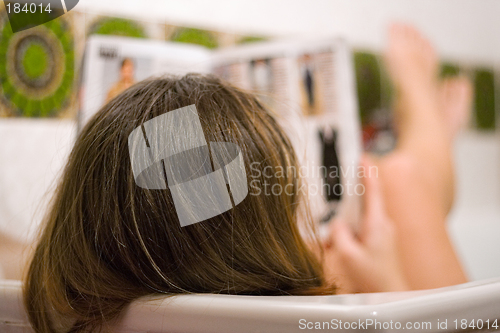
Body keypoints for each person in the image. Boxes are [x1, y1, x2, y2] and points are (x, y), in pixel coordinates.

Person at [22, 23, 470, 332]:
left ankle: (431, 137)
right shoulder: (314, 308)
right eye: (290, 218)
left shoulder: (71, 293)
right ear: (268, 256)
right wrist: (389, 294)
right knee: (402, 177)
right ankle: (427, 117)